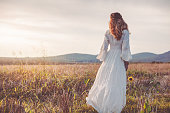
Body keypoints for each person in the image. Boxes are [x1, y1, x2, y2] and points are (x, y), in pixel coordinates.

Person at [86, 12, 132, 113]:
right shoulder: (125, 32)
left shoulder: (108, 32)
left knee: (105, 80)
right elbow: (125, 49)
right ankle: (113, 106)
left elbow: (104, 49)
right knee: (116, 82)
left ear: (111, 21)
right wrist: (126, 61)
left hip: (109, 58)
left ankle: (103, 103)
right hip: (119, 59)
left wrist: (104, 59)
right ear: (121, 19)